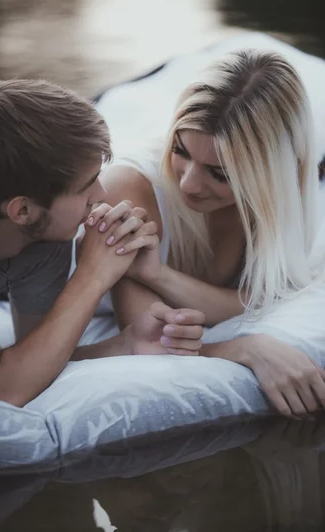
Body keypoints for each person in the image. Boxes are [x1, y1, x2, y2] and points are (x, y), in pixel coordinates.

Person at [0, 79, 204, 407]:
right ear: (22, 209)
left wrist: (127, 344)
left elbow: (32, 360)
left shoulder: (43, 236)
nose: (100, 195)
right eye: (86, 186)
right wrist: (91, 276)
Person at [92, 49, 325, 417]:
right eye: (179, 150)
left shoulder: (281, 193)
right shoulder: (129, 192)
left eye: (220, 174)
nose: (188, 183)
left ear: (267, 175)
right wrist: (246, 348)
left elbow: (252, 296)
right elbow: (147, 343)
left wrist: (158, 275)